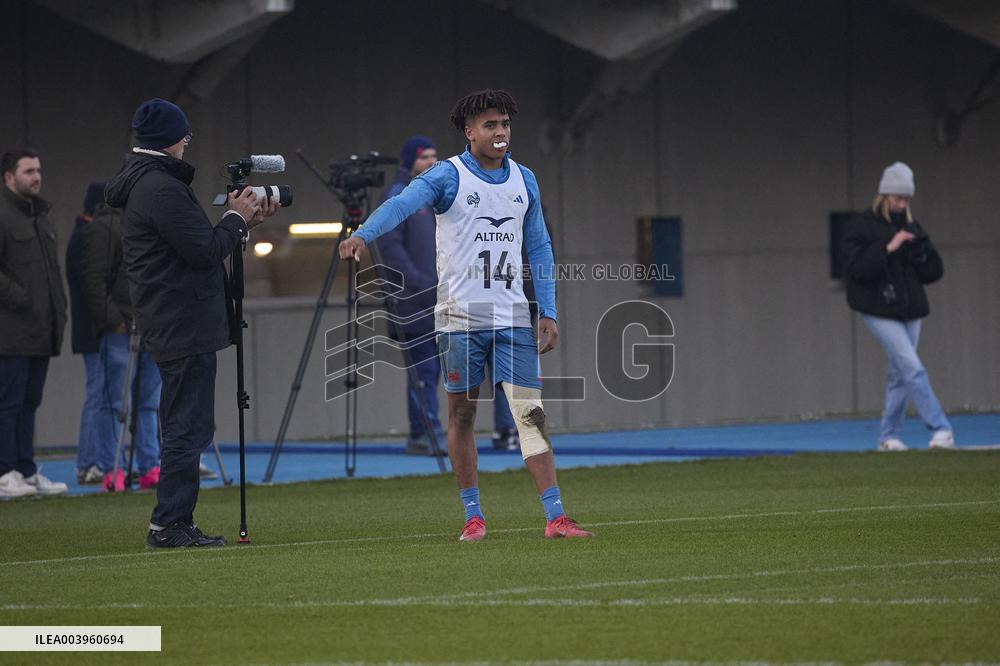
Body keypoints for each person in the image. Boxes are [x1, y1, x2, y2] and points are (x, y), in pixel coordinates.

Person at [341, 89, 591, 540]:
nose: (500, 133)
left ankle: (556, 517)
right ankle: (473, 515)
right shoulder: (446, 176)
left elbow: (539, 246)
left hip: (513, 315)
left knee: (529, 414)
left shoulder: (524, 179)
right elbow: (400, 204)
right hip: (459, 319)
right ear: (469, 131)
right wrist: (363, 233)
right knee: (462, 417)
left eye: (505, 125)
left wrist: (548, 310)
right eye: (490, 125)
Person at [105, 98, 276, 546]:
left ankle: (173, 521)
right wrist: (237, 219)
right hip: (182, 320)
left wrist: (239, 224)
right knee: (188, 425)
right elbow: (202, 250)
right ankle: (170, 523)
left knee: (184, 421)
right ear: (174, 139)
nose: (187, 145)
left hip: (170, 317)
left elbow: (196, 244)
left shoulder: (146, 183)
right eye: (185, 137)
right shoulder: (159, 188)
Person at [843, 161, 954, 451]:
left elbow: (933, 272)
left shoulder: (912, 226)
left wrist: (919, 252)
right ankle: (941, 427)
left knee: (900, 374)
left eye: (905, 199)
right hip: (877, 308)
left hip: (909, 309)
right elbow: (854, 269)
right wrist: (888, 248)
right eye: (896, 197)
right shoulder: (862, 225)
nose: (901, 203)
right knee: (912, 367)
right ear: (884, 195)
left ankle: (887, 436)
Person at [0, 148, 69, 498]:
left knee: (29, 404)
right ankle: (5, 472)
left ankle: (25, 471)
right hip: (10, 332)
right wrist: (19, 297)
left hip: (41, 330)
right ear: (9, 177)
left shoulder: (42, 216)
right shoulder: (3, 215)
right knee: (8, 404)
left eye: (38, 170)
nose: (36, 177)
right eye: (28, 171)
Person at [81, 200, 162, 491]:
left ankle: (150, 466)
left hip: (150, 323)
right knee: (115, 403)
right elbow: (93, 280)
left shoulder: (148, 219)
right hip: (120, 329)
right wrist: (115, 321)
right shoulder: (104, 226)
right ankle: (111, 470)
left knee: (149, 403)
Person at [373, 136, 445, 455]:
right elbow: (389, 247)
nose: (431, 162)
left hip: (434, 300)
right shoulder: (399, 197)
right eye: (424, 156)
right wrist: (418, 281)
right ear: (409, 161)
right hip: (413, 302)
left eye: (434, 156)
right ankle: (424, 434)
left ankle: (426, 431)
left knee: (433, 372)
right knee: (424, 371)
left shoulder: (428, 197)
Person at [65, 182, 108, 485]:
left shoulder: (78, 237)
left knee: (99, 395)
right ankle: (89, 462)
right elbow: (93, 288)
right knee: (98, 395)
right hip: (95, 331)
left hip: (89, 329)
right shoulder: (87, 239)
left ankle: (91, 461)